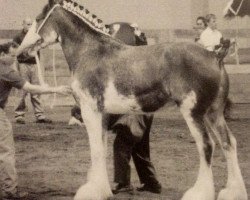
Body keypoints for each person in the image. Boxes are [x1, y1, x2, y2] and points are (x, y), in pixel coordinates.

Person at [0, 42, 71, 199]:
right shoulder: (7, 71)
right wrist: (55, 89)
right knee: (6, 153)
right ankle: (9, 192)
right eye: (11, 56)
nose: (14, 59)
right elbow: (31, 89)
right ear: (2, 55)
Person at [13, 17, 52, 124]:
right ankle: (19, 115)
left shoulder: (35, 36)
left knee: (36, 90)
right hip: (23, 65)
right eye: (28, 24)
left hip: (35, 65)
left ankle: (40, 115)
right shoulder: (18, 37)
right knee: (22, 89)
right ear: (23, 24)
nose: (30, 26)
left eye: (31, 24)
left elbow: (42, 44)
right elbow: (15, 52)